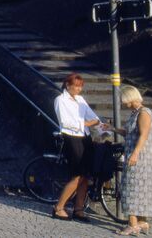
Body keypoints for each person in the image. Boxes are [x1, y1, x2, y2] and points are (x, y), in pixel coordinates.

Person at [52, 73, 107, 221]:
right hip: (71, 137)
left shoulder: (80, 100)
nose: (78, 89)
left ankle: (79, 209)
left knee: (86, 176)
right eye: (75, 86)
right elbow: (64, 122)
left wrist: (104, 127)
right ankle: (58, 207)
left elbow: (92, 116)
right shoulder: (60, 100)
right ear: (67, 85)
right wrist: (87, 124)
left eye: (80, 86)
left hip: (85, 137)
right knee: (77, 175)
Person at [115, 85, 152, 235]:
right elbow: (129, 133)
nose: (123, 103)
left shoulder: (144, 113)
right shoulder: (135, 113)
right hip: (139, 157)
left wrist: (135, 153)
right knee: (140, 190)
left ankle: (132, 224)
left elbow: (143, 135)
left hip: (141, 158)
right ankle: (142, 222)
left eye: (124, 100)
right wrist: (113, 129)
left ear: (130, 98)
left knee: (130, 189)